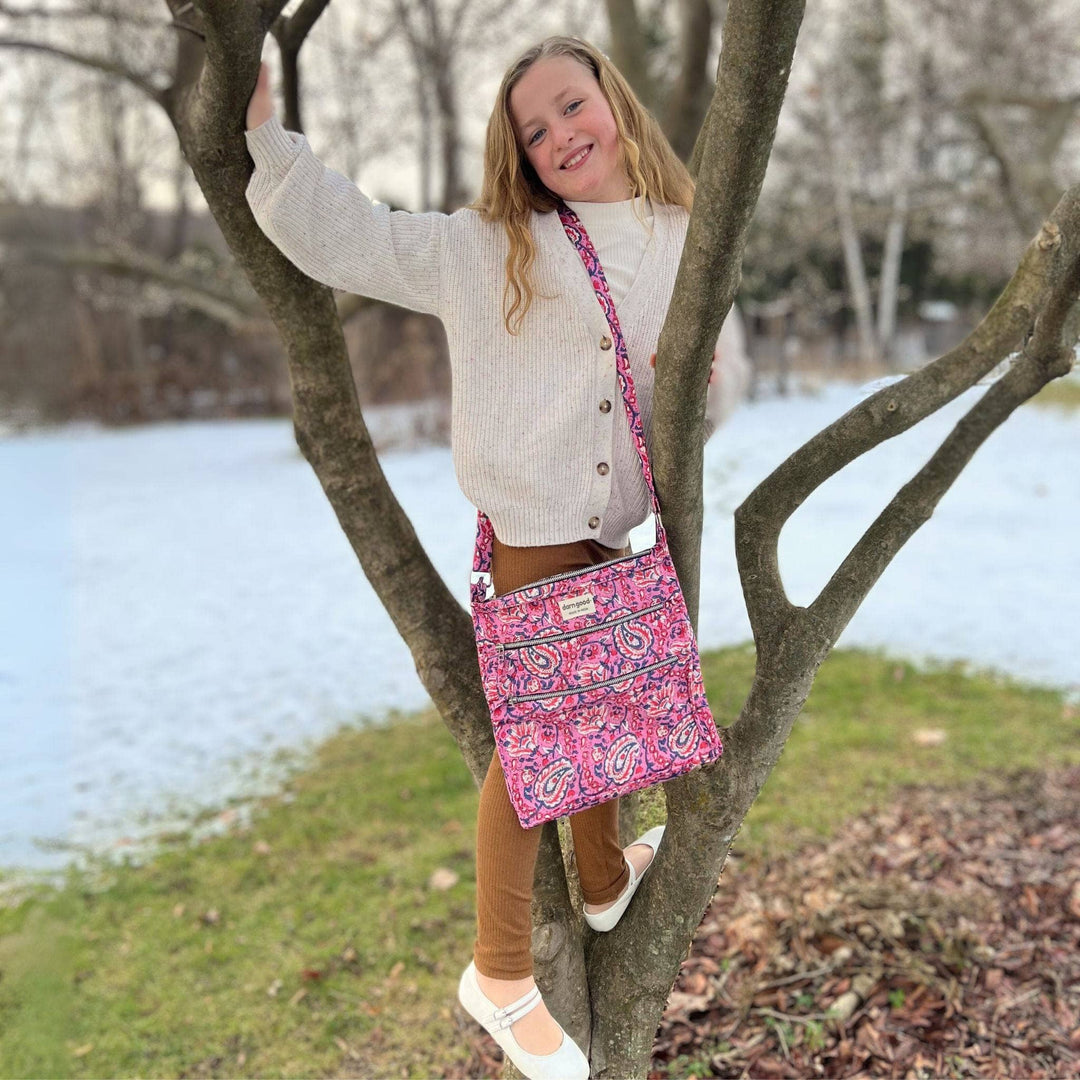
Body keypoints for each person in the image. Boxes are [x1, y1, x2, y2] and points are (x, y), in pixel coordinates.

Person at [245, 34, 750, 1080]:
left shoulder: (682, 231)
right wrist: (265, 138)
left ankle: (604, 882)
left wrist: (694, 387)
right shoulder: (491, 243)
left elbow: (725, 374)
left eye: (574, 106)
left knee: (601, 701)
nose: (562, 134)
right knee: (534, 744)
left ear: (613, 102)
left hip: (619, 520)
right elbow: (359, 240)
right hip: (532, 524)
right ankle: (501, 971)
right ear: (516, 152)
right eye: (535, 127)